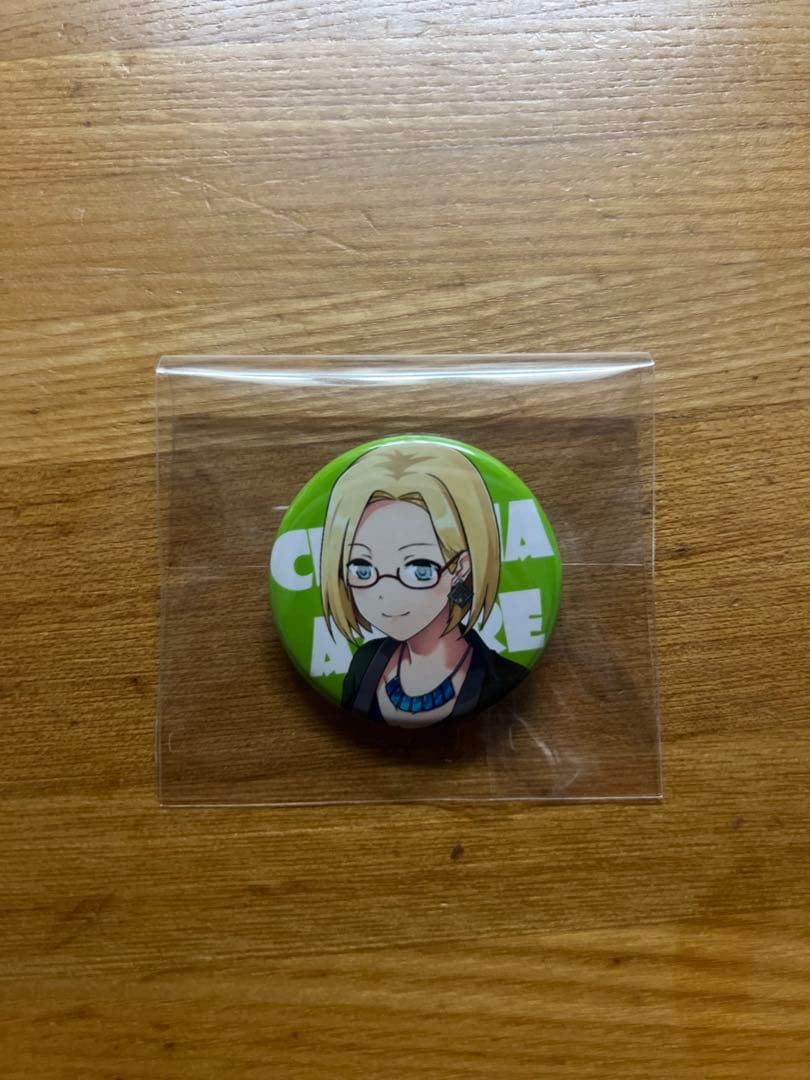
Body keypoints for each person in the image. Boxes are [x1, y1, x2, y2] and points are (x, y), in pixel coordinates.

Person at [320, 441, 525, 727]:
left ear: (461, 567)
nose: (386, 594)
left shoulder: (502, 677)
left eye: (418, 569)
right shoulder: (364, 663)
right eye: (363, 569)